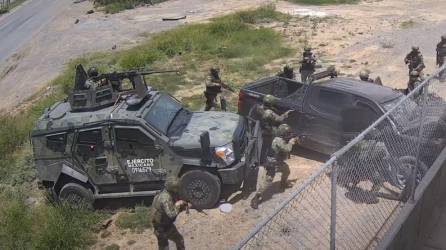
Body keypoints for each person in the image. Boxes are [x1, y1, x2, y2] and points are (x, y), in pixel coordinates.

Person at [250, 124, 299, 209]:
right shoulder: (277, 140)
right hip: (272, 164)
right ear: (283, 133)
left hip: (279, 162)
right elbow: (287, 149)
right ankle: (256, 198)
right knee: (267, 182)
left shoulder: (281, 138)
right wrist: (291, 142)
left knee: (286, 171)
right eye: (287, 133)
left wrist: (294, 139)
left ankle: (283, 184)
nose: (289, 135)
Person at [249, 95, 292, 164]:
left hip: (256, 128)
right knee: (277, 135)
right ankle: (271, 156)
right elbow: (279, 120)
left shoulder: (257, 107)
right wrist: (285, 114)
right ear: (271, 104)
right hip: (266, 131)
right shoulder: (269, 113)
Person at [152, 176, 188, 250]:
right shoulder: (165, 198)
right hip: (162, 228)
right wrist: (178, 205)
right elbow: (171, 214)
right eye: (176, 187)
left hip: (162, 224)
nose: (177, 189)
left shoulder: (164, 192)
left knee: (179, 240)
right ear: (172, 188)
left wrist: (182, 206)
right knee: (165, 246)